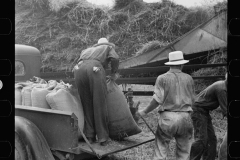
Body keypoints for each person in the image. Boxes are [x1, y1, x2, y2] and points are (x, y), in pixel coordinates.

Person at [136, 51, 195, 160]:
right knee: (184, 153)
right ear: (182, 64)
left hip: (168, 118)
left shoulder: (162, 78)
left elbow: (157, 100)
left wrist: (144, 111)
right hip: (186, 117)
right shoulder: (189, 78)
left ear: (170, 64)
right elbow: (193, 99)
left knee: (161, 151)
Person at [73, 37, 119, 145]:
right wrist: (113, 73)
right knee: (99, 103)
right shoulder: (108, 47)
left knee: (86, 104)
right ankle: (103, 137)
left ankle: (90, 136)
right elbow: (115, 58)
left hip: (79, 70)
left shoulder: (87, 50)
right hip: (94, 69)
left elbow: (80, 62)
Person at [189, 73, 227, 160]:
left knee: (212, 139)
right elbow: (226, 110)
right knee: (201, 139)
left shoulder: (223, 86)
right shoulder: (222, 89)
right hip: (198, 110)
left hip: (204, 111)